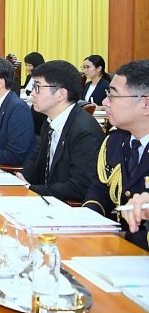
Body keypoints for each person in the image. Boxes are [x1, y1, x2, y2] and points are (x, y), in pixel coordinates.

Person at [83, 60, 149, 251]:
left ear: (145, 104)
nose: (105, 103)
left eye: (113, 96)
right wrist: (87, 220)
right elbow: (100, 189)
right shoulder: (116, 140)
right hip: (119, 248)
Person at [16, 60, 104, 201]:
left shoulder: (84, 131)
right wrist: (21, 179)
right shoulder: (50, 120)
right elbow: (35, 162)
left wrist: (28, 188)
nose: (32, 93)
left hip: (68, 209)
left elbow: (78, 187)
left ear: (61, 94)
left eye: (37, 87)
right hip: (46, 200)